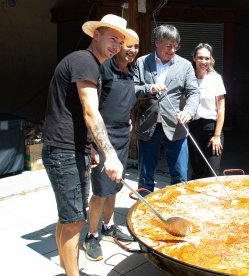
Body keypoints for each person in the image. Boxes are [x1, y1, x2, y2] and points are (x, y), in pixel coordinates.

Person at [41, 14, 136, 276]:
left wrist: (91, 147)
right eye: (112, 38)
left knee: (68, 219)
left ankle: (66, 269)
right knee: (75, 221)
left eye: (120, 41)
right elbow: (90, 111)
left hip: (69, 147)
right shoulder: (86, 61)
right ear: (96, 35)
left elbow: (71, 111)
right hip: (64, 150)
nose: (116, 45)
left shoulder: (87, 62)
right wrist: (110, 154)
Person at [83, 29, 139, 261]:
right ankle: (92, 235)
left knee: (115, 186)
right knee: (100, 190)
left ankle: (108, 225)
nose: (131, 50)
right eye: (127, 45)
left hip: (123, 137)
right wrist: (92, 145)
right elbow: (90, 108)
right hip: (103, 137)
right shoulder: (104, 68)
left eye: (136, 47)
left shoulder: (131, 71)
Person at [134, 24, 199, 193]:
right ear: (157, 43)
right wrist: (149, 89)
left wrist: (189, 112)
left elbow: (194, 93)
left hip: (176, 127)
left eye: (176, 46)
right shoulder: (142, 62)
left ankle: (178, 215)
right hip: (149, 127)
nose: (172, 50)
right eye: (169, 46)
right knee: (145, 176)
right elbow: (131, 90)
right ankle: (145, 215)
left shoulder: (185, 65)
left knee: (179, 176)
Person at [188, 43, 226, 179]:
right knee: (196, 172)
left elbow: (221, 108)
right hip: (192, 129)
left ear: (211, 60)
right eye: (200, 58)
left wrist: (216, 136)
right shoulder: (188, 78)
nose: (204, 62)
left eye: (207, 58)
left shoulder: (216, 79)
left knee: (212, 173)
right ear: (194, 58)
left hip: (212, 129)